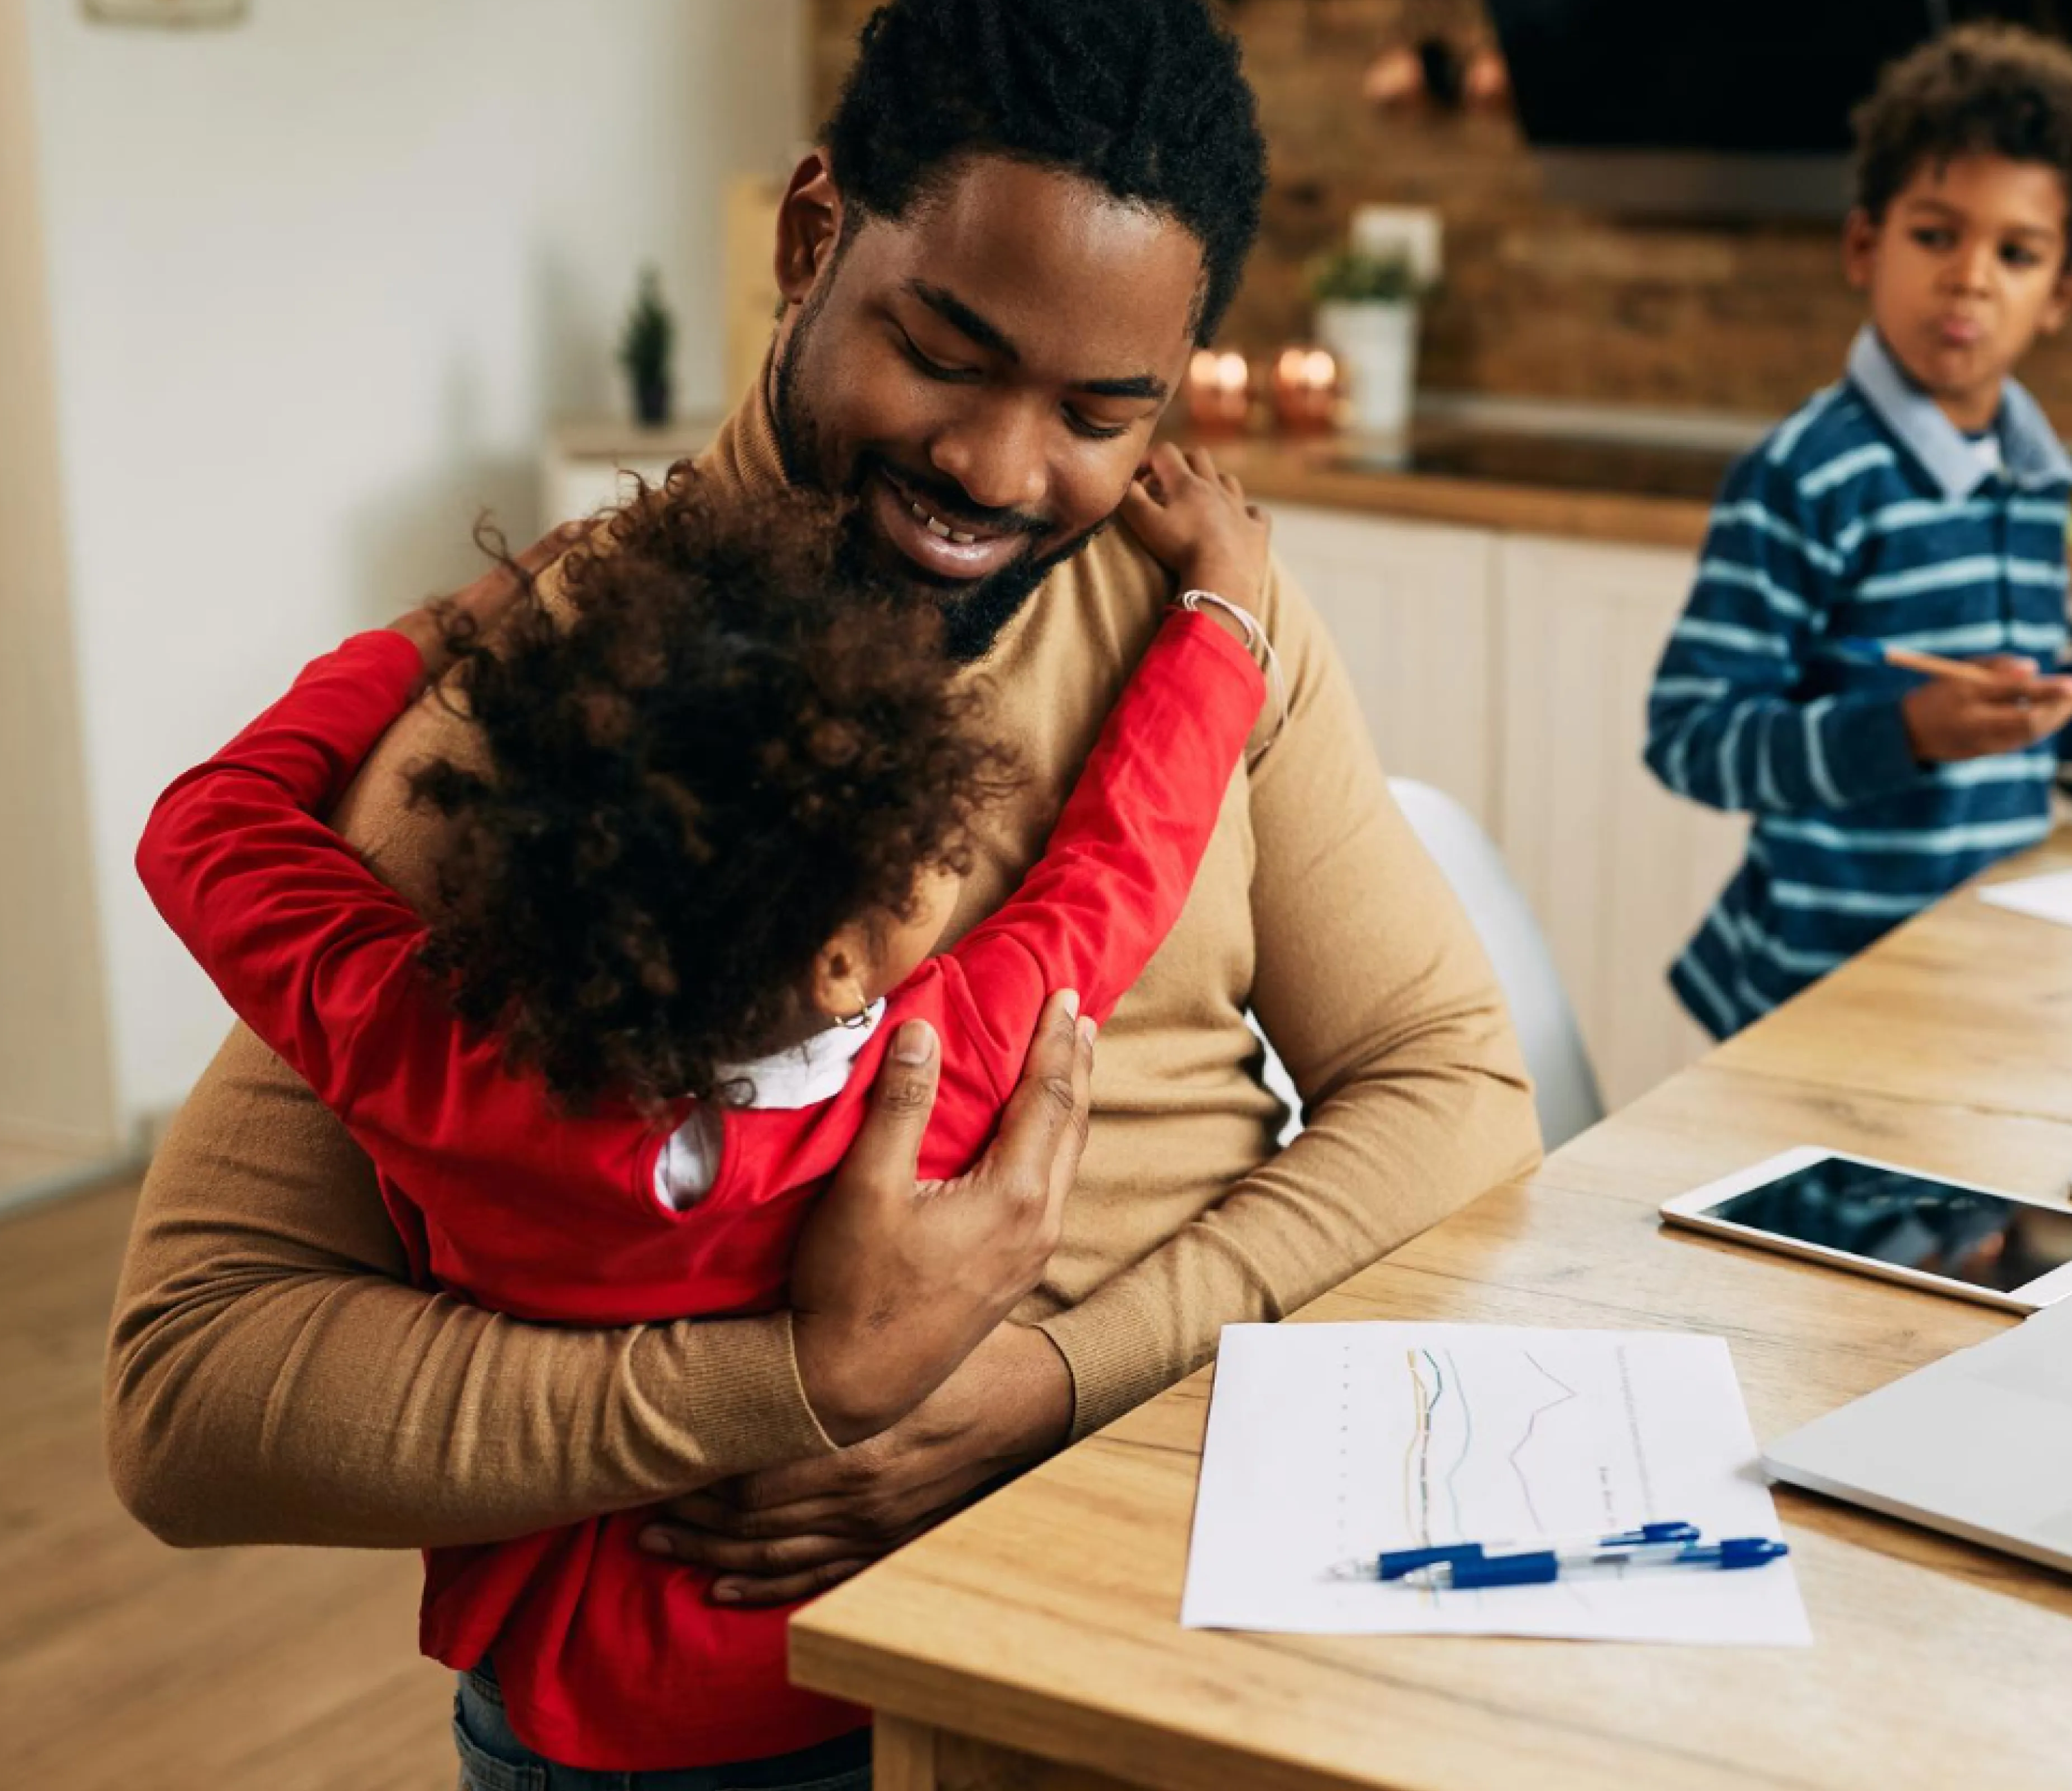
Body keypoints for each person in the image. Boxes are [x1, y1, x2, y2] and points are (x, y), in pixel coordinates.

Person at [104, 0, 1544, 1785]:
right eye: (945, 356)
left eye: (1106, 416)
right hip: (716, 1724)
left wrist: (1030, 1387)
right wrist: (793, 1390)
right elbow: (192, 1398)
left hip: (1155, 1611)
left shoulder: (1196, 616)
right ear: (812, 243)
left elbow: (1451, 1092)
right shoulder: (552, 711)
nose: (1006, 473)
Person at [133, 454, 1269, 1775]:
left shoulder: (422, 1044)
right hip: (834, 1691)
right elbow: (1125, 851)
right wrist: (1227, 608)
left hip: (563, 1721)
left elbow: (203, 825)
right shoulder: (936, 1065)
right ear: (842, 961)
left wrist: (452, 622)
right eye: (931, 835)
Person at [1642, 23, 2072, 1037]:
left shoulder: (2034, 477)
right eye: (1935, 235)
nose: (1971, 278)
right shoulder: (1805, 477)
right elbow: (1692, 737)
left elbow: (2025, 713)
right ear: (1864, 246)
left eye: (2016, 253)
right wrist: (1905, 733)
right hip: (1817, 998)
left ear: (2061, 295)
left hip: (1976, 978)